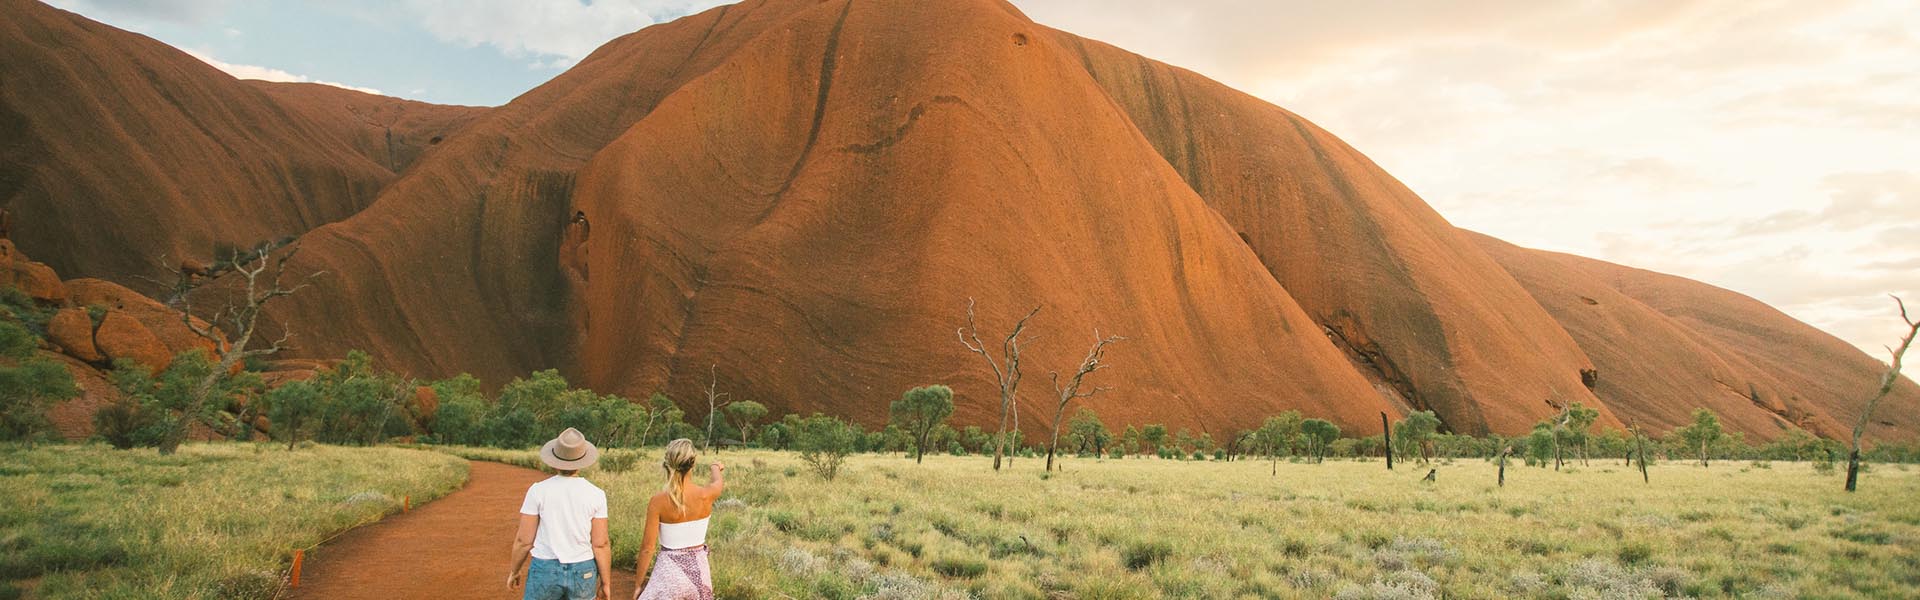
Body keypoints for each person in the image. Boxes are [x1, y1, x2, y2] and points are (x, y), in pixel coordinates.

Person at [508, 428, 613, 600]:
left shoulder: (538, 491)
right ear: (582, 462)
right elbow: (600, 544)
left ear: (554, 461)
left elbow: (524, 541)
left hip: (545, 569)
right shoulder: (596, 494)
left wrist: (515, 570)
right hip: (583, 570)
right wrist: (606, 583)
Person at [634, 438, 726, 599]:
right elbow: (717, 481)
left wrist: (638, 585)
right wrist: (715, 467)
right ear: (693, 464)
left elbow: (647, 548)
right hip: (699, 577)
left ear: (667, 464)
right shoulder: (707, 495)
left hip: (668, 576)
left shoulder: (658, 501)